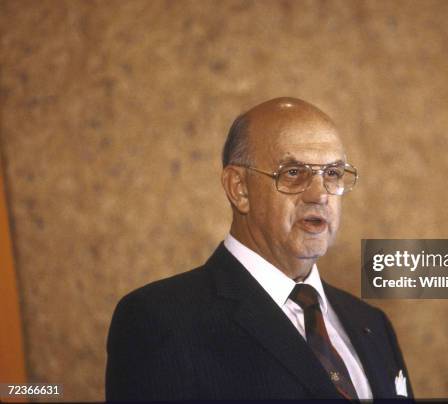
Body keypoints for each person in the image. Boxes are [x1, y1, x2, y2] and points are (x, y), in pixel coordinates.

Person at [105, 97, 413, 400]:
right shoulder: (161, 320)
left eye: (332, 173)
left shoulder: (371, 323)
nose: (319, 194)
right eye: (293, 173)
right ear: (239, 189)